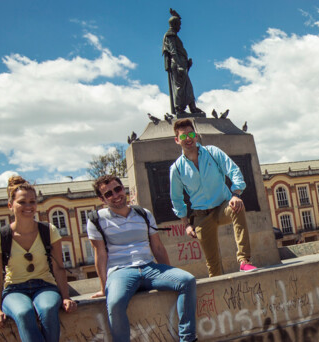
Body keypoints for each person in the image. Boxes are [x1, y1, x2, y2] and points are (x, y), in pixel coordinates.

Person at [87, 175, 198, 342]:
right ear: (102, 199)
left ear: (123, 189)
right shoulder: (96, 220)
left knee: (187, 280)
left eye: (117, 189)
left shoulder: (143, 214)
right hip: (120, 272)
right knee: (115, 303)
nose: (116, 195)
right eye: (108, 194)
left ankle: (188, 338)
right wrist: (104, 288)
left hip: (149, 268)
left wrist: (168, 271)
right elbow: (100, 255)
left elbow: (158, 247)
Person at [0, 176, 77, 342]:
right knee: (23, 312)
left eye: (32, 202)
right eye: (22, 202)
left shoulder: (49, 230)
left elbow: (58, 268)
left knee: (49, 308)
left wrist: (65, 297)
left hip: (45, 285)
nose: (28, 206)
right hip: (14, 289)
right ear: (10, 205)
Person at [169, 119, 258, 276]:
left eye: (191, 134)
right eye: (183, 136)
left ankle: (244, 260)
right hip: (201, 216)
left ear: (196, 136)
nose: (188, 139)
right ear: (177, 140)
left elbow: (233, 171)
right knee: (213, 265)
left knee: (237, 207)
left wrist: (236, 194)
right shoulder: (176, 169)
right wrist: (186, 225)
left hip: (223, 206)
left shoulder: (212, 152)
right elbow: (176, 199)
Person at [163, 9, 203, 115]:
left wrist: (186, 63)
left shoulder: (173, 35)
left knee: (188, 87)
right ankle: (179, 109)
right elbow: (173, 51)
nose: (180, 27)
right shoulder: (170, 35)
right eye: (179, 24)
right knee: (180, 87)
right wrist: (179, 65)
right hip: (177, 64)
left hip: (181, 64)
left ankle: (192, 108)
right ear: (175, 24)